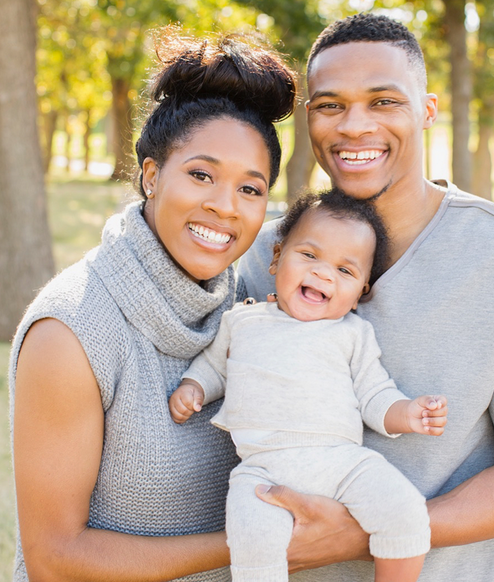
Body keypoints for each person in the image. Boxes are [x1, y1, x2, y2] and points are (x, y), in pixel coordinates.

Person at [237, 12, 494, 582]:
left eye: (383, 101)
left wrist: (373, 532)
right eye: (330, 105)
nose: (354, 125)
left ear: (427, 110)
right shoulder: (263, 257)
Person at [8, 31, 299, 582]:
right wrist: (250, 544)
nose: (224, 207)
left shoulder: (250, 301)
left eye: (250, 189)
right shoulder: (71, 330)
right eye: (201, 175)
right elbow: (54, 560)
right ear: (150, 175)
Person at [169, 189, 449, 582]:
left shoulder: (352, 333)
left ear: (360, 293)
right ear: (277, 257)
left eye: (345, 271)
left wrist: (409, 413)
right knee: (252, 539)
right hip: (262, 470)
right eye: (310, 255)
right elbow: (214, 368)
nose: (322, 273)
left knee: (405, 510)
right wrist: (193, 387)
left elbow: (375, 394)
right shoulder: (243, 322)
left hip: (342, 463)